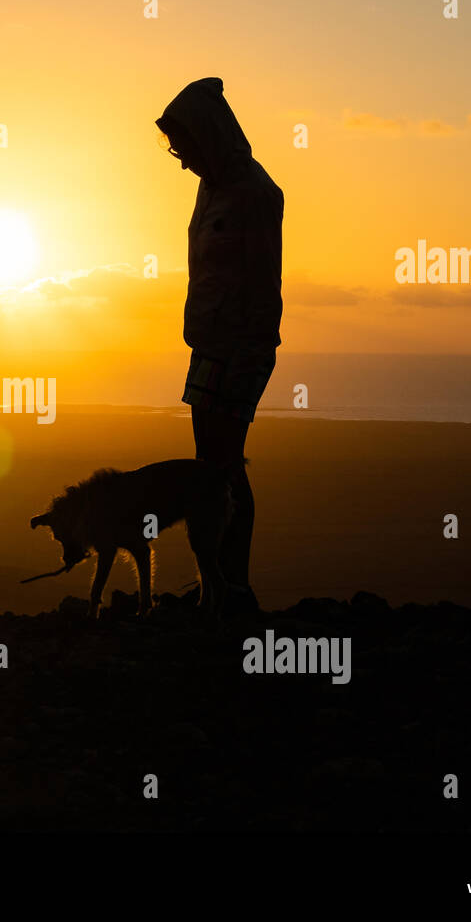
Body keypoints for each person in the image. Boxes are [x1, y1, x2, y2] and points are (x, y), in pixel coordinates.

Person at [156, 77, 284, 612]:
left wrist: (249, 355)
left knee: (225, 467)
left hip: (239, 350)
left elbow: (261, 283)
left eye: (185, 148)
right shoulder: (211, 187)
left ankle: (234, 588)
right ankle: (219, 586)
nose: (183, 161)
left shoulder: (257, 194)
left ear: (209, 136)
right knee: (211, 466)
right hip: (209, 346)